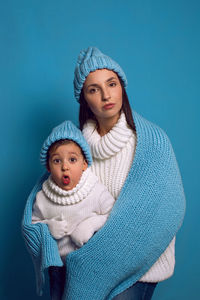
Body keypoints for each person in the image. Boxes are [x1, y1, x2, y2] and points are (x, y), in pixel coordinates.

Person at [22, 47, 186, 300]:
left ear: (122, 87)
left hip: (136, 264)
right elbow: (48, 198)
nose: (106, 95)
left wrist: (91, 253)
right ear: (84, 99)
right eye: (93, 89)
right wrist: (50, 229)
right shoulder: (73, 150)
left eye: (112, 84)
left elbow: (164, 211)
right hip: (78, 260)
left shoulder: (152, 142)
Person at [22, 120, 115, 300]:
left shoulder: (94, 190)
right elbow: (33, 224)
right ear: (48, 167)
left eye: (72, 160)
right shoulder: (43, 198)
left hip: (89, 265)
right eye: (57, 161)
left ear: (84, 164)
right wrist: (47, 226)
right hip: (58, 267)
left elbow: (112, 213)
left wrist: (90, 224)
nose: (65, 167)